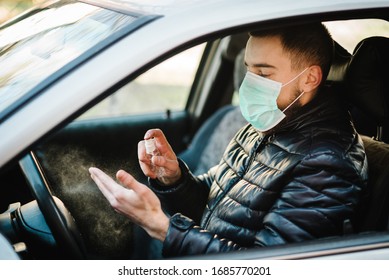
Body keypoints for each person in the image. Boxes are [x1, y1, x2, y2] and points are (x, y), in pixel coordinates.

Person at [89, 23, 368, 257]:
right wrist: (174, 179)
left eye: (263, 73)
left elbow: (267, 265)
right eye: (248, 70)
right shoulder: (268, 122)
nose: (249, 84)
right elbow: (216, 201)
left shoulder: (327, 161)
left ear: (309, 78)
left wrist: (162, 227)